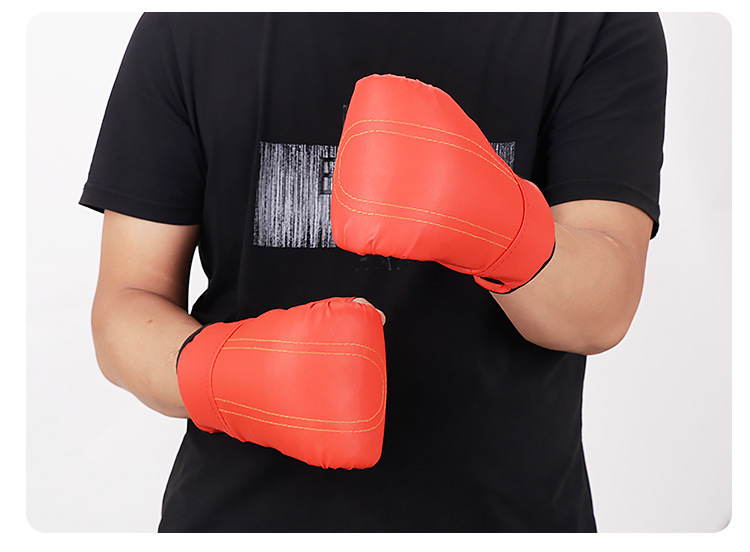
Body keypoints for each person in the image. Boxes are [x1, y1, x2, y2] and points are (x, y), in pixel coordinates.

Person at [80, 12, 667, 532]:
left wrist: (501, 226)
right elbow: (125, 304)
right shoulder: (192, 22)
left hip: (508, 523)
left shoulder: (591, 20)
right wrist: (228, 375)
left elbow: (602, 308)